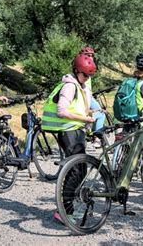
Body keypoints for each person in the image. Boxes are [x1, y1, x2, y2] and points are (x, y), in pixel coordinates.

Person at [41, 54, 97, 223]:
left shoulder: (79, 85)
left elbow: (76, 108)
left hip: (75, 129)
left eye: (90, 76)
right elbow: (62, 111)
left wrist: (88, 113)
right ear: (77, 71)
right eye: (85, 75)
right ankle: (65, 211)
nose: (87, 79)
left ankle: (67, 208)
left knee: (80, 169)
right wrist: (84, 119)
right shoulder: (69, 86)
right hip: (67, 131)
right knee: (74, 170)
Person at [78, 46, 106, 148]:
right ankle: (97, 138)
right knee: (101, 114)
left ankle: (89, 129)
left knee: (98, 112)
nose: (91, 57)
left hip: (89, 95)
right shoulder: (84, 67)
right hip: (86, 97)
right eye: (88, 55)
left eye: (92, 55)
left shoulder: (82, 66)